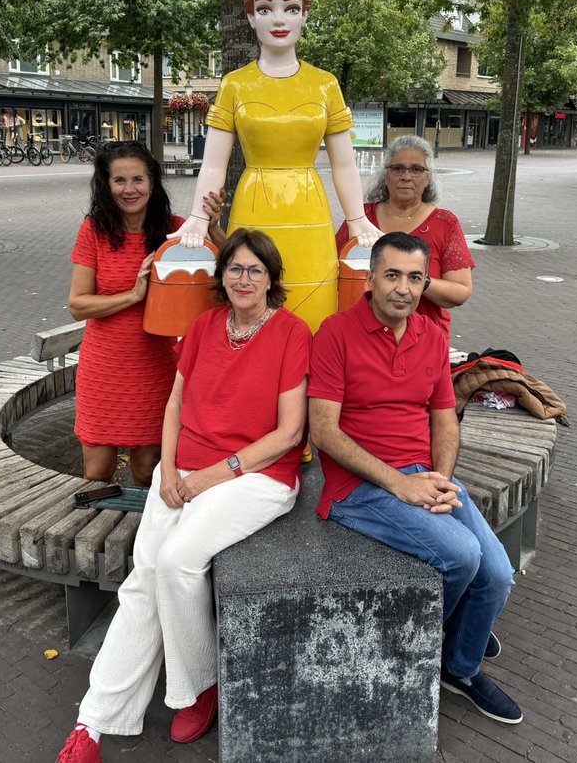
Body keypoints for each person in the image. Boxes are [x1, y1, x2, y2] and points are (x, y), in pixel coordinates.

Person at [57, 229, 313, 763]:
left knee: (175, 562)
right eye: (235, 269)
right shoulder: (203, 326)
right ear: (221, 275)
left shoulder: (291, 333)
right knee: (143, 580)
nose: (244, 279)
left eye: (255, 270)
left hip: (257, 476)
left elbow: (289, 434)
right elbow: (174, 405)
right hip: (184, 470)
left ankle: (197, 687)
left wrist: (211, 475)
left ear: (272, 278)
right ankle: (92, 725)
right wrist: (167, 471)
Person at [308, 232, 522, 726]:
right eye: (392, 275)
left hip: (423, 475)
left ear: (426, 283)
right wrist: (399, 484)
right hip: (358, 488)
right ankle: (442, 653)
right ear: (370, 278)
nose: (403, 288)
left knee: (497, 573)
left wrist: (440, 481)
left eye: (415, 277)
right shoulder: (335, 333)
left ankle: (459, 659)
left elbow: (444, 420)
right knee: (462, 556)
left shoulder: (432, 335)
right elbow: (323, 430)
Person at [169, 0, 381, 331]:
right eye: (265, 8)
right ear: (251, 17)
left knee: (313, 306)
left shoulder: (325, 85)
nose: (279, 19)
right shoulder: (235, 84)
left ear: (304, 16)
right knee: (252, 305)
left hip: (309, 210)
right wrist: (199, 218)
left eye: (292, 8)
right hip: (255, 208)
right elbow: (214, 163)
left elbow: (345, 164)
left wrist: (357, 219)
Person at [67, 141, 222, 485]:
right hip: (103, 369)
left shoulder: (177, 230)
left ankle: (143, 539)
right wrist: (135, 295)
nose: (129, 189)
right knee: (96, 473)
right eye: (119, 181)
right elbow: (78, 304)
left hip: (156, 369)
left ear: (152, 182)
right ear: (106, 186)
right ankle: (98, 537)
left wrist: (211, 228)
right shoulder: (95, 231)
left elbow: (230, 268)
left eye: (138, 179)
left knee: (147, 472)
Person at [335, 135, 473, 339]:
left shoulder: (445, 223)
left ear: (428, 178)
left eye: (416, 169)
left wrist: (416, 280)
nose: (406, 176)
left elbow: (460, 291)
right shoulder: (360, 218)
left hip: (423, 342)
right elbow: (331, 272)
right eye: (398, 168)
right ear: (386, 175)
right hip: (359, 339)